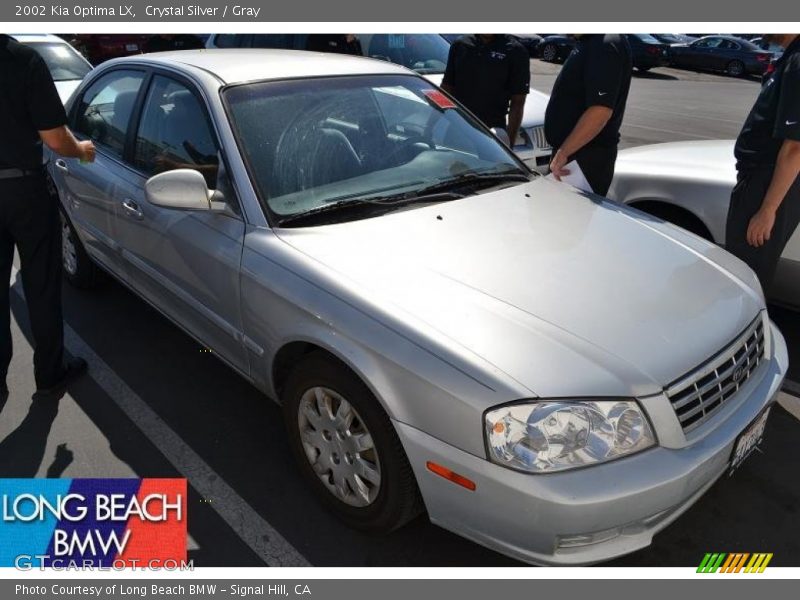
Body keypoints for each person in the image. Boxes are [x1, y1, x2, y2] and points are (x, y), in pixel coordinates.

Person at [0, 34, 95, 398]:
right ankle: (50, 373)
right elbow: (55, 139)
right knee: (41, 284)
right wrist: (81, 149)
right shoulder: (22, 60)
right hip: (24, 189)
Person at [725, 34, 800, 292]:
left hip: (766, 184)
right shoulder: (790, 57)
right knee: (743, 270)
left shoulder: (798, 61)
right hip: (761, 179)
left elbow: (795, 147)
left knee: (745, 276)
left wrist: (768, 209)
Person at [544, 34, 632, 196]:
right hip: (574, 155)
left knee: (570, 211)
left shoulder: (605, 44)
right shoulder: (590, 41)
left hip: (583, 161)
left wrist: (564, 152)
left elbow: (600, 111)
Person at [441, 34, 530, 146]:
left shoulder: (516, 51)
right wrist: (430, 125)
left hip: (492, 136)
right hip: (457, 130)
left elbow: (518, 102)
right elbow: (446, 88)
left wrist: (508, 147)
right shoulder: (460, 45)